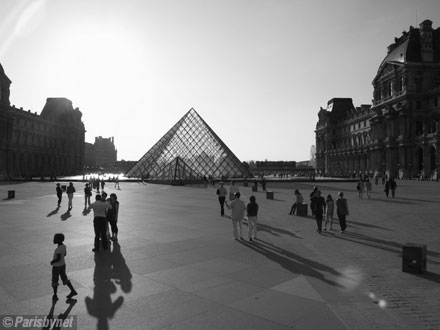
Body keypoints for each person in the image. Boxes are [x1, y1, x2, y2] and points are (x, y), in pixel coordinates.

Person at [50, 233, 77, 301]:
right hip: (63, 265)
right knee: (64, 278)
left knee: (55, 280)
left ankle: (55, 295)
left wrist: (53, 261)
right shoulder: (64, 246)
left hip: (56, 266)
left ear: (59, 240)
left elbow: (58, 258)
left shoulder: (58, 249)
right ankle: (73, 290)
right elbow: (64, 254)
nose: (53, 240)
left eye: (55, 239)